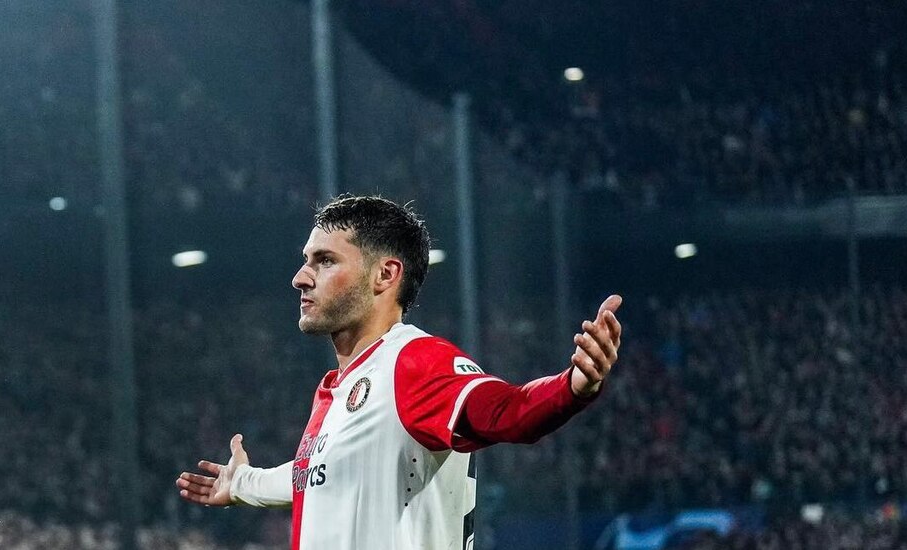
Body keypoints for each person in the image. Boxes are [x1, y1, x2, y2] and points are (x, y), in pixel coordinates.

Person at [176, 195, 622, 550]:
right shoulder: (338, 388)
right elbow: (319, 473)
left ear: (385, 275)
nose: (300, 277)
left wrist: (573, 387)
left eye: (325, 261)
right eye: (307, 259)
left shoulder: (413, 361)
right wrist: (243, 482)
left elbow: (507, 410)